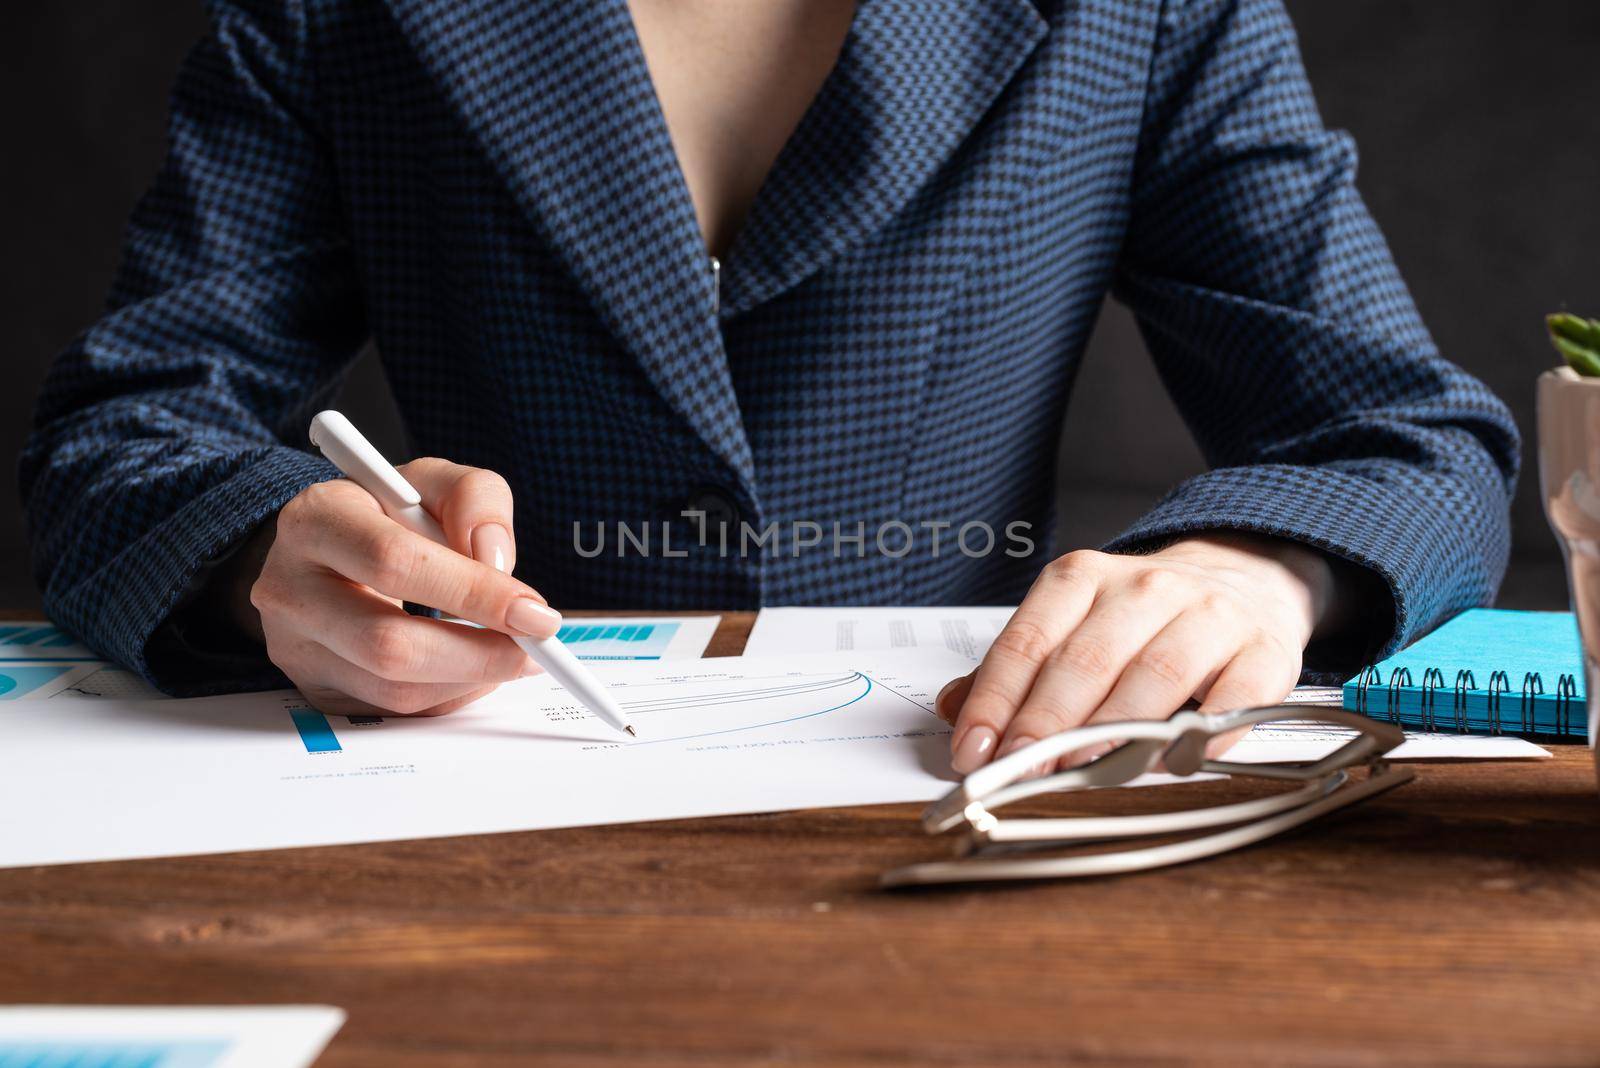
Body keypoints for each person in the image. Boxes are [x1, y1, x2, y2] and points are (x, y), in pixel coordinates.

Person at [21, 0, 1517, 777]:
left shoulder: (1151, 13)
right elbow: (123, 429)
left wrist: (1258, 570)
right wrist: (261, 551)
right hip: (468, 803)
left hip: (957, 795)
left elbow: (1403, 435)